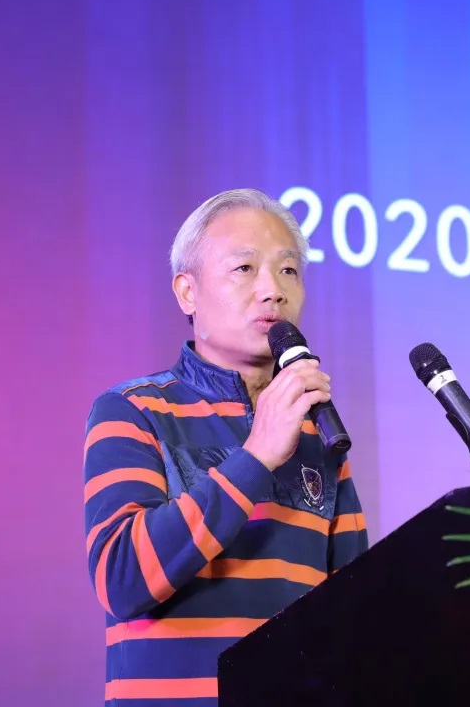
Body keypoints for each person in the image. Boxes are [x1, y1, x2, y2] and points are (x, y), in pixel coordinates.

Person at [82, 188, 369, 705]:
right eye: (244, 268)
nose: (273, 291)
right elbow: (123, 579)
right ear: (187, 293)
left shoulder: (320, 434)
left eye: (288, 270)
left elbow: (356, 607)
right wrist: (256, 457)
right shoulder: (133, 410)